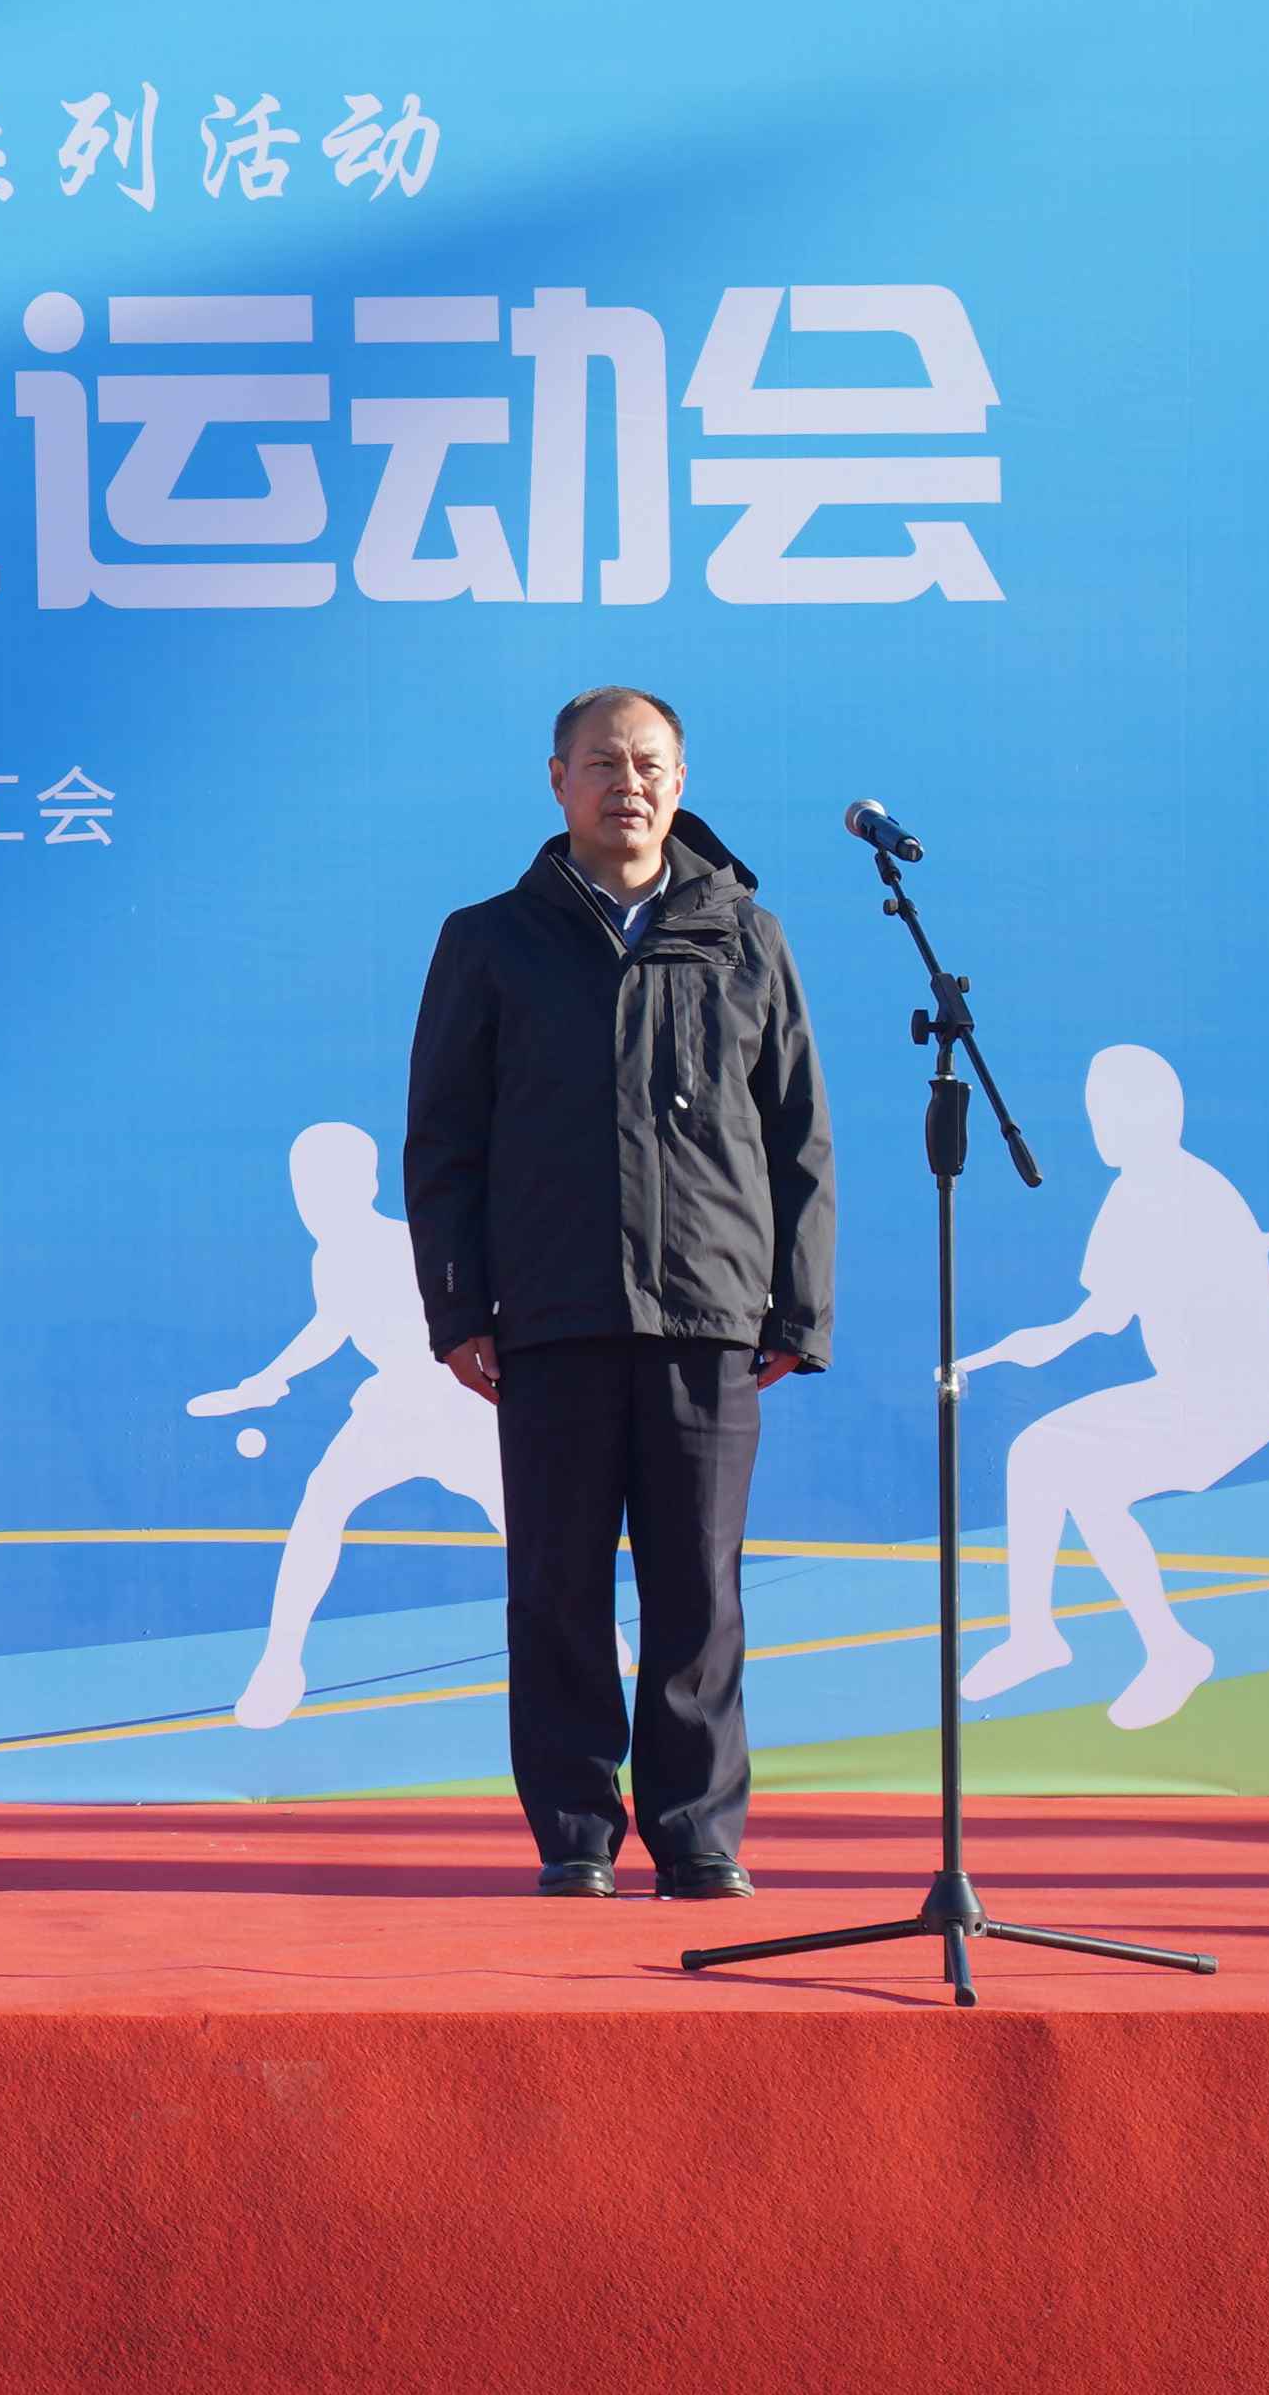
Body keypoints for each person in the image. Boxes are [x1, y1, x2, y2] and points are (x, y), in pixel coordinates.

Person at [402, 686, 831, 1902]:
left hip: (708, 1311)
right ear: (557, 780)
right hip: (553, 1311)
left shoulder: (746, 937)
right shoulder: (491, 939)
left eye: (647, 762)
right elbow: (443, 1141)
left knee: (699, 1583)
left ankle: (697, 1831)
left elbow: (797, 1134)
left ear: (679, 782)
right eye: (601, 761)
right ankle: (575, 1830)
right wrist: (457, 1307)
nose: (625, 782)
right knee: (557, 1584)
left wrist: (796, 1309)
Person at [961, 1045, 1269, 1729]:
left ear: (1156, 1114)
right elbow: (1099, 1317)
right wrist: (1011, 1350)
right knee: (1037, 1456)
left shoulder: (1194, 1192)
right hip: (1186, 1390)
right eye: (1095, 1111)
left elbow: (1116, 1313)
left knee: (1076, 1473)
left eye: (1109, 1111)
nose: (1099, 1125)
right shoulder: (1131, 1194)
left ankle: (1169, 1651)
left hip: (1240, 1397)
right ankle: (1039, 1638)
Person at [188, 1120, 504, 1731]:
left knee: (522, 1524)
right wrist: (268, 1379)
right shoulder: (329, 1257)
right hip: (390, 1410)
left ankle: (593, 1636)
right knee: (320, 1507)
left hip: (455, 1403)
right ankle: (281, 1666)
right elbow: (330, 1326)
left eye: (327, 1186)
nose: (312, 1202)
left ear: (368, 1184)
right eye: (304, 1187)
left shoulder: (409, 1243)